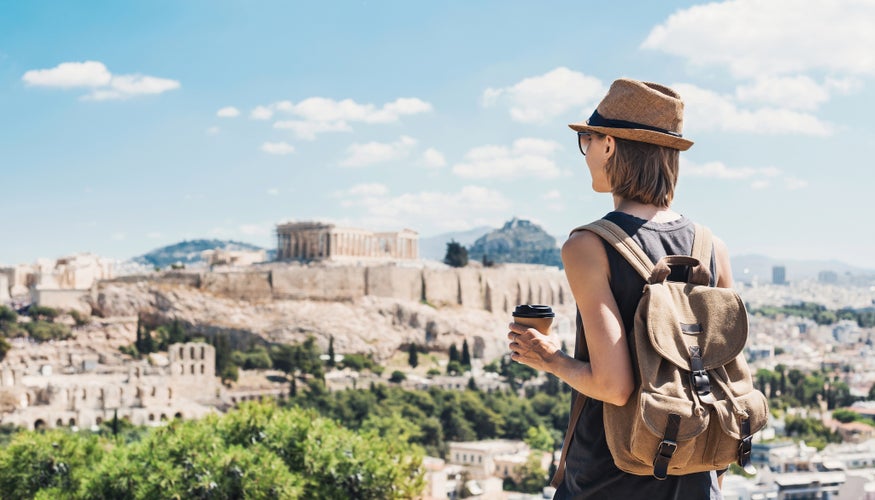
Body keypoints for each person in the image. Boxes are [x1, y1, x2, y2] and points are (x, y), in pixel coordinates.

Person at [507, 78, 732, 499]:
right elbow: (721, 377)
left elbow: (614, 386)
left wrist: (548, 357)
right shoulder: (711, 247)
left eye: (586, 140)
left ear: (608, 145)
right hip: (696, 474)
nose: (586, 152)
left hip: (612, 475)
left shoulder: (588, 246)